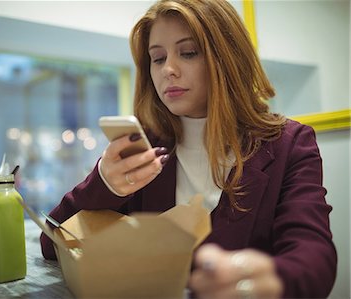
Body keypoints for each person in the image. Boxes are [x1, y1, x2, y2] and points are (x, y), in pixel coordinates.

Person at [40, 0, 337, 298]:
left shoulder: (290, 143)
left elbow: (315, 260)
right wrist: (103, 183)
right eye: (157, 58)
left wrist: (271, 280)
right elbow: (51, 241)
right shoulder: (146, 144)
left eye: (189, 52)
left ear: (228, 58)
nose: (168, 69)